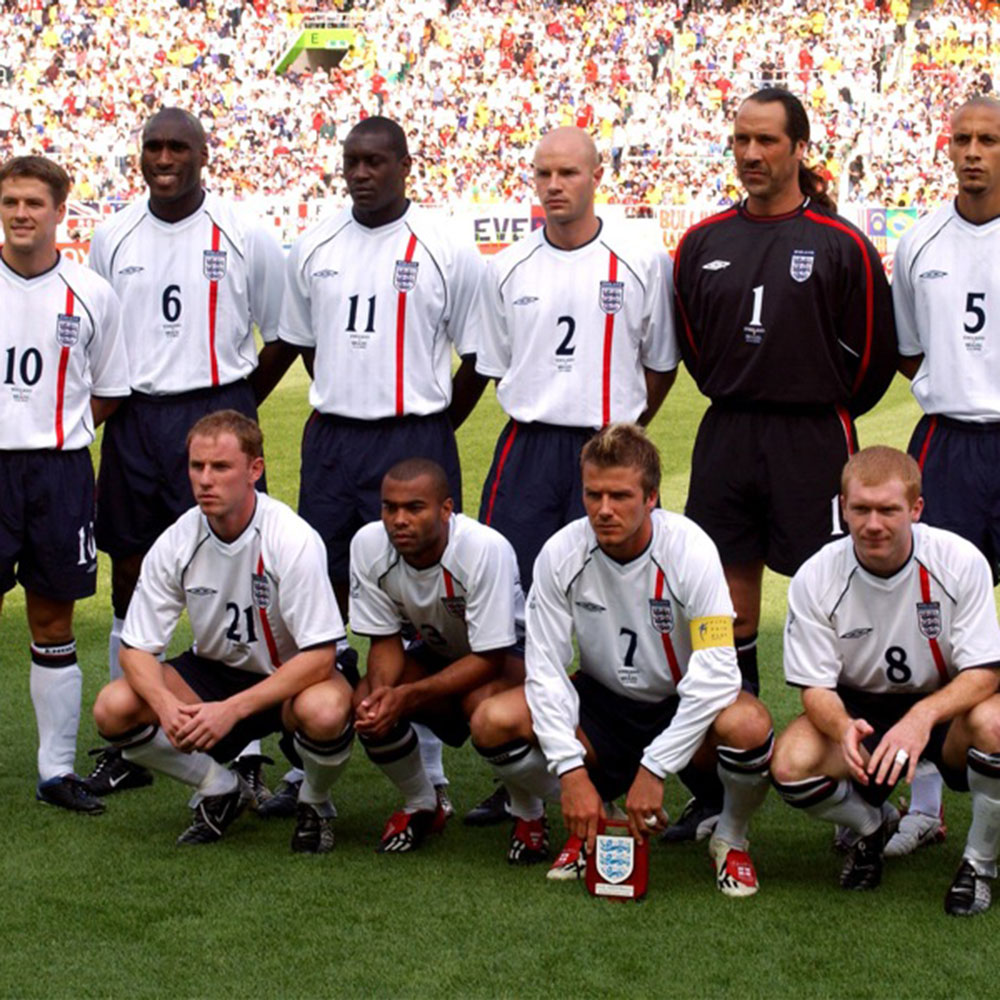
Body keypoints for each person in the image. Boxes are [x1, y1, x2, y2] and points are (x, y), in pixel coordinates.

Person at [667, 87, 896, 842]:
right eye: (741, 141)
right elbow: (697, 351)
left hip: (813, 438)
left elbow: (872, 358)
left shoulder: (842, 244)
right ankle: (732, 766)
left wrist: (811, 400)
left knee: (836, 602)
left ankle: (848, 759)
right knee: (723, 607)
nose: (753, 155)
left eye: (767, 141)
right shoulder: (701, 242)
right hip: (729, 433)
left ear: (800, 148)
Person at [278, 115, 486, 819]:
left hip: (416, 437)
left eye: (375, 161)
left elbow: (478, 357)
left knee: (425, 598)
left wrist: (429, 426)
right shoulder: (314, 244)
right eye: (352, 162)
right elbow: (308, 343)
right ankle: (311, 748)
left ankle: (428, 764)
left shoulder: (445, 245)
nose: (362, 173)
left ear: (404, 165)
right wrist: (350, 394)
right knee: (325, 586)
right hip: (334, 440)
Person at [469, 424, 774, 896]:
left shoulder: (690, 549)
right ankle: (594, 818)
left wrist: (654, 769)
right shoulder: (561, 553)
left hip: (681, 700)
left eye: (621, 496)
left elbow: (716, 673)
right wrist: (570, 773)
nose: (604, 510)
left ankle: (730, 838)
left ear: (652, 497)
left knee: (749, 725)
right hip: (604, 704)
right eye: (593, 495)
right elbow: (545, 670)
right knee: (492, 719)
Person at [85, 107, 290, 800]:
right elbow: (101, 333)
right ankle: (130, 736)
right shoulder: (113, 234)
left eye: (178, 146)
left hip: (217, 407)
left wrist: (232, 409)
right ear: (139, 156)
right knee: (131, 571)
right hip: (137, 417)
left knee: (240, 574)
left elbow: (283, 333)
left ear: (205, 154)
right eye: (153, 147)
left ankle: (251, 739)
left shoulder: (244, 231)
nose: (164, 157)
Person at [90, 411, 355, 852]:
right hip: (218, 667)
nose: (205, 480)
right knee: (114, 707)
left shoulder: (291, 537)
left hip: (295, 672)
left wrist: (231, 711)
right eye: (197, 466)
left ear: (255, 470)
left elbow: (321, 657)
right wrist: (167, 707)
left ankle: (316, 799)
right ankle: (219, 787)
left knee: (325, 711)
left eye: (221, 467)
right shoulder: (178, 539)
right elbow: (136, 649)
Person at [771, 447, 1000, 916]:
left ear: (916, 509)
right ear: (842, 506)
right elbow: (814, 687)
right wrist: (841, 728)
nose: (873, 524)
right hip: (862, 713)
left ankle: (979, 863)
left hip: (945, 706)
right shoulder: (816, 576)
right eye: (860, 509)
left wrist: (921, 718)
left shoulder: (959, 560)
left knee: (995, 725)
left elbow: (985, 672)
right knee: (791, 765)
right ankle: (871, 826)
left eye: (888, 510)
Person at [475, 126, 677, 596]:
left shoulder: (641, 262)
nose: (554, 184)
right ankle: (522, 673)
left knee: (628, 587)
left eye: (568, 172)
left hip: (613, 446)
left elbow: (661, 363)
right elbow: (500, 364)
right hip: (529, 449)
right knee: (513, 585)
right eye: (543, 173)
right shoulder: (507, 267)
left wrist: (626, 427)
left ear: (597, 176)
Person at [0, 155, 129, 814]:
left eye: (34, 203)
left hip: (59, 471)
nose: (22, 214)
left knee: (53, 618)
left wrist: (56, 428)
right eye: (11, 202)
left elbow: (107, 391)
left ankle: (55, 772)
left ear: (60, 211)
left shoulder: (91, 292)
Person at [892, 96, 1000, 856]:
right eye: (961, 138)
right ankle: (924, 803)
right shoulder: (919, 240)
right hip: (948, 444)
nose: (972, 152)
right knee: (932, 627)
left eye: (988, 139)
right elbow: (908, 347)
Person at [348, 458, 526, 852]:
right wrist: (383, 695)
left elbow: (491, 657)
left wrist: (408, 696)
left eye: (414, 508)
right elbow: (384, 640)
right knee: (366, 700)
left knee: (482, 706)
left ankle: (529, 812)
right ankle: (422, 803)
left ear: (446, 510)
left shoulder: (483, 548)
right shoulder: (368, 544)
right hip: (439, 648)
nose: (398, 519)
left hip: (510, 652)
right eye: (389, 508)